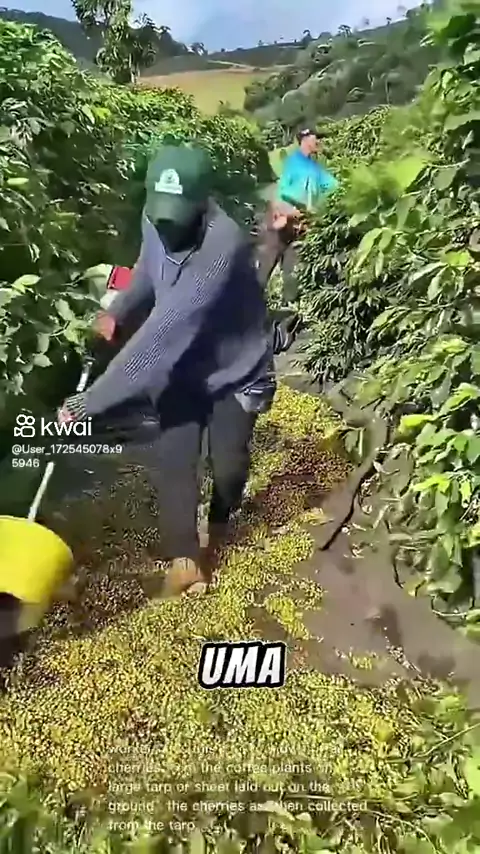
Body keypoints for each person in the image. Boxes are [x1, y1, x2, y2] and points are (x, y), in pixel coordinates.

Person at [57, 143, 293, 597]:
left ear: (203, 203)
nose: (168, 225)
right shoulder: (156, 217)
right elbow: (149, 269)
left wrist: (90, 403)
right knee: (176, 461)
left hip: (233, 369)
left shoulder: (222, 244)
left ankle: (220, 522)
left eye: (178, 217)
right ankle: (185, 561)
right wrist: (119, 310)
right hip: (180, 371)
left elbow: (164, 333)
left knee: (228, 468)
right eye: (160, 215)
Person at [256, 128, 339, 304]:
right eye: (315, 139)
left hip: (300, 222)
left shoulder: (315, 168)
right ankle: (248, 303)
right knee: (267, 262)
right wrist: (285, 212)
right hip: (284, 217)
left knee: (292, 268)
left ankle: (287, 305)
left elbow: (334, 185)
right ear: (306, 140)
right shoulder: (294, 162)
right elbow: (282, 190)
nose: (318, 142)